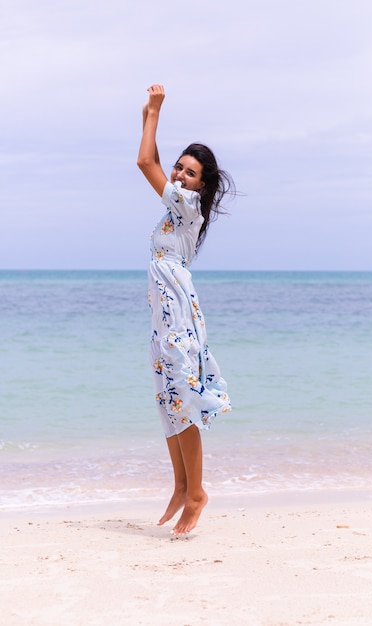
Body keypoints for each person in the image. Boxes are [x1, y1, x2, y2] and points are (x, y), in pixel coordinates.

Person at [137, 84, 235, 535]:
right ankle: (180, 486)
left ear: (201, 186)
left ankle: (196, 492)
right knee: (168, 401)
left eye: (189, 172)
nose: (178, 175)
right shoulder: (175, 210)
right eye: (178, 166)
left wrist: (155, 111)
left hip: (176, 316)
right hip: (164, 316)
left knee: (184, 402)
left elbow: (144, 163)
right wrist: (146, 121)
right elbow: (153, 160)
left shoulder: (187, 205)